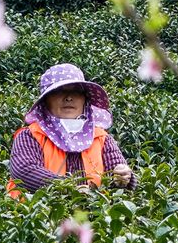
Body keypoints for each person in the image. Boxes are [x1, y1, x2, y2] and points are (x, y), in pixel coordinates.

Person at [7, 63, 137, 200]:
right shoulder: (30, 135)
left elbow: (116, 175)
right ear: (46, 101)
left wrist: (125, 177)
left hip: (93, 217)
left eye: (76, 91)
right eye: (59, 91)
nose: (69, 98)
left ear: (85, 99)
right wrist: (70, 189)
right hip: (40, 217)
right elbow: (24, 171)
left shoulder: (101, 138)